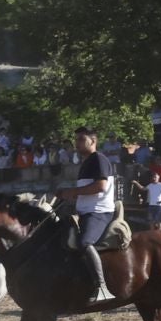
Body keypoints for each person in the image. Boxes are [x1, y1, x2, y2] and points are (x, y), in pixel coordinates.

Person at [54, 127, 118, 304]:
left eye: (81, 139)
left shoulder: (98, 159)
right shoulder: (87, 162)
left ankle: (102, 287)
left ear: (93, 140)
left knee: (84, 242)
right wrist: (67, 195)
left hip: (99, 212)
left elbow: (101, 187)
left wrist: (72, 192)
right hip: (86, 211)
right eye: (76, 139)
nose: (77, 143)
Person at [147, 165, 161, 231]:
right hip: (151, 205)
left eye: (155, 177)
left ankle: (158, 233)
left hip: (159, 206)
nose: (154, 178)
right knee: (151, 220)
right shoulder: (150, 185)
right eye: (153, 177)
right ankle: (152, 233)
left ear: (158, 177)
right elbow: (143, 188)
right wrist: (136, 183)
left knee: (159, 220)